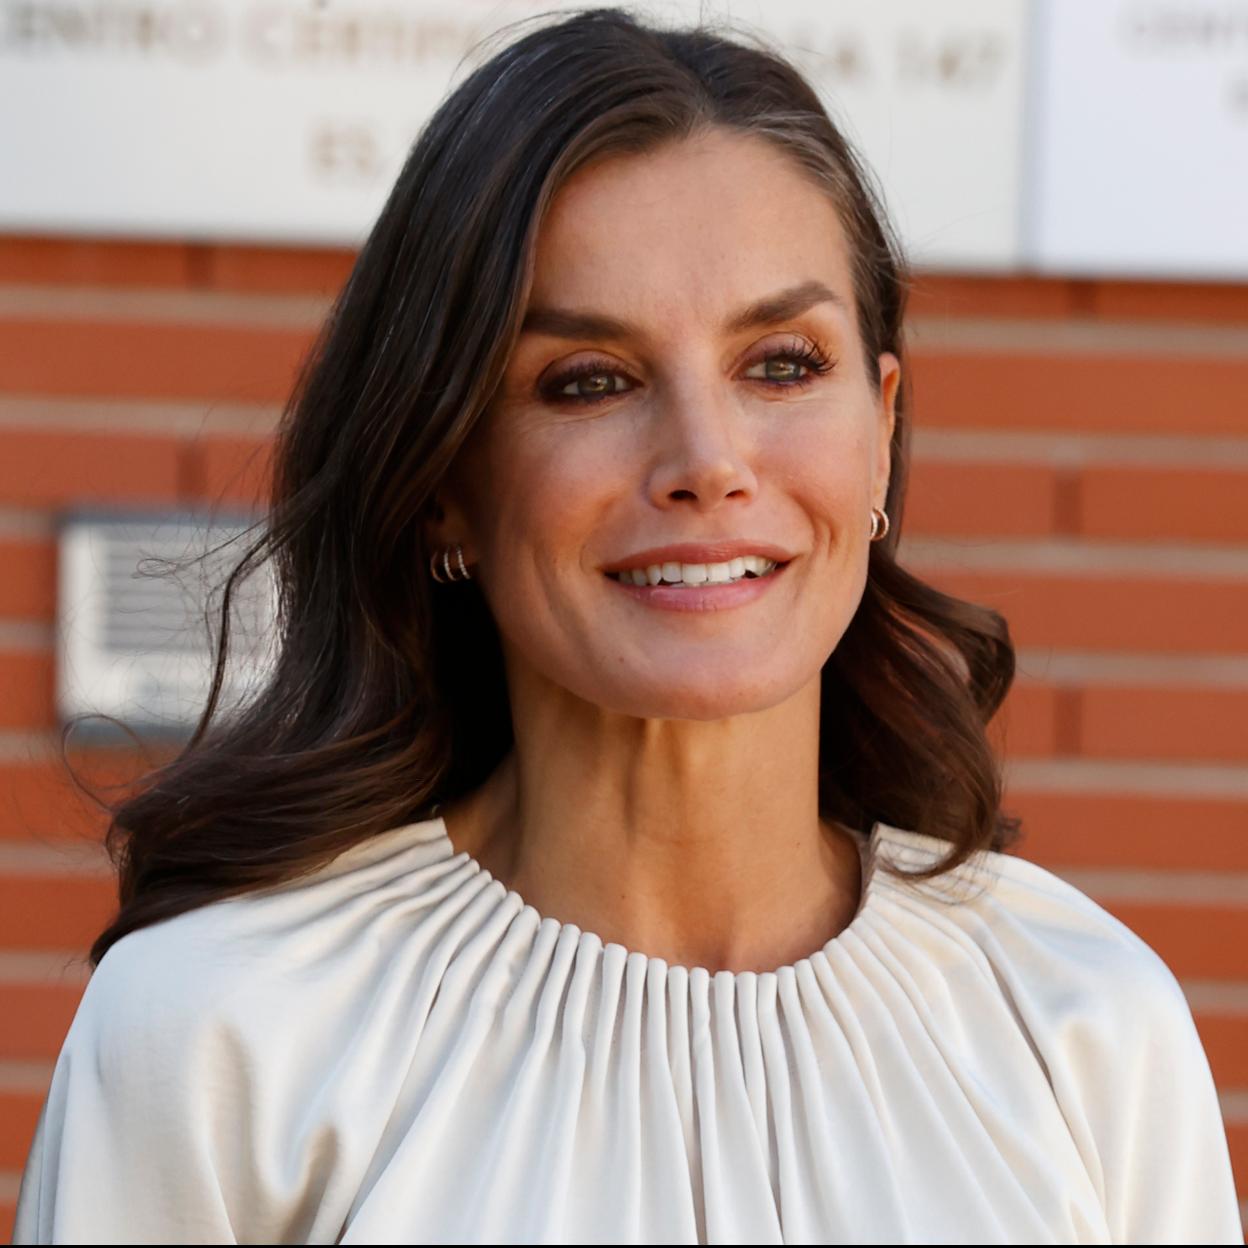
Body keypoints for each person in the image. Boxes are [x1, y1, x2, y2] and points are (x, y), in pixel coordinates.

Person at [13, 6, 1243, 1244]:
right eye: (587, 381)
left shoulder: (1079, 1025)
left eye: (780, 364)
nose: (707, 463)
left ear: (881, 432)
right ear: (447, 478)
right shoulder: (219, 1037)